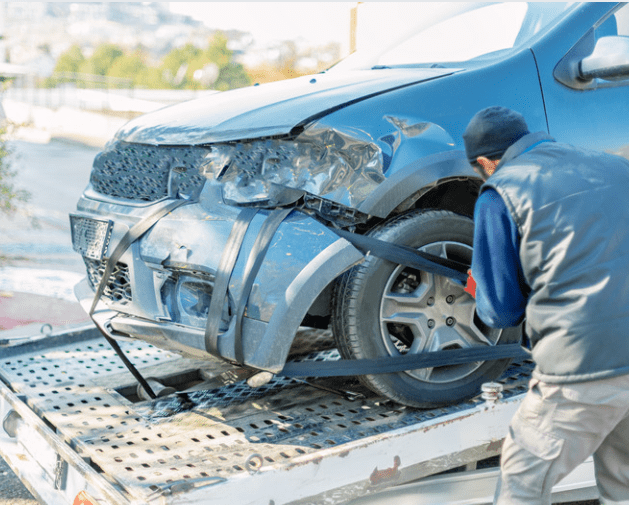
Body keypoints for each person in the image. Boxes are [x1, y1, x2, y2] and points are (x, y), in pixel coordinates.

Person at [463, 106, 629, 505]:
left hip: (584, 366)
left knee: (522, 487)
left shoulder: (500, 193)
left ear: (485, 162)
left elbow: (500, 310)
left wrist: (477, 287)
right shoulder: (615, 166)